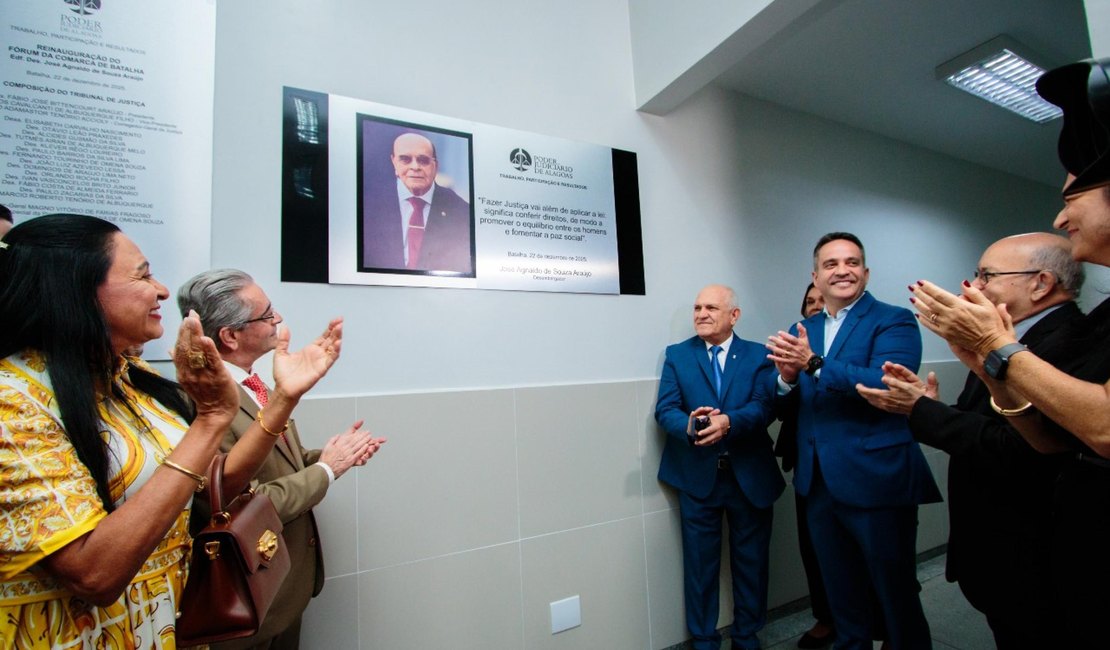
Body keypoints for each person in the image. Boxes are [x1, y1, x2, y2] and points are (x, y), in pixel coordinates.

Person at [0, 214, 343, 647]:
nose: (162, 289)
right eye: (143, 274)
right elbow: (94, 575)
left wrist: (284, 397)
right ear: (75, 291)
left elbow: (209, 489)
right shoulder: (14, 402)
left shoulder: (128, 379)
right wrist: (211, 422)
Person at [908, 57, 1110, 647]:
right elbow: (1050, 437)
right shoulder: (1101, 320)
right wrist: (985, 364)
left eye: (1074, 195)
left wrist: (996, 347)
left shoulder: (1067, 333)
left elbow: (1099, 428)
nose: (1060, 215)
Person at [858, 233, 1085, 648]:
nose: (974, 286)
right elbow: (989, 421)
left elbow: (1023, 447)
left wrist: (920, 411)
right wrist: (933, 406)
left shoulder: (1069, 342)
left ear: (1041, 283)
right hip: (999, 544)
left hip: (1033, 551)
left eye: (986, 275)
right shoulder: (1011, 337)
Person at [177, 269, 385, 649]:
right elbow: (236, 502)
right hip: (245, 608)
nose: (278, 320)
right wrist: (327, 469)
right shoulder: (206, 404)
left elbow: (280, 460)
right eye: (266, 314)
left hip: (281, 594)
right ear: (230, 335)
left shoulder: (256, 384)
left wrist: (334, 454)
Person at [766, 232, 940, 650]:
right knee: (840, 592)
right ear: (816, 276)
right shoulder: (802, 328)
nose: (842, 270)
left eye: (851, 262)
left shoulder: (893, 319)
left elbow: (886, 382)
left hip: (876, 477)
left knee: (894, 592)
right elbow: (782, 398)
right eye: (831, 264)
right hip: (818, 483)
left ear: (865, 271)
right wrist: (786, 379)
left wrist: (813, 364)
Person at [655, 284, 785, 650]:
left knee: (752, 563)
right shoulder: (678, 356)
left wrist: (728, 421)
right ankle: (704, 640)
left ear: (734, 315)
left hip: (750, 476)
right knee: (700, 567)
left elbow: (764, 406)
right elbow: (665, 410)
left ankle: (746, 635)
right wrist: (690, 424)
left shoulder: (760, 355)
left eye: (711, 307)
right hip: (697, 478)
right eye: (697, 307)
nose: (701, 314)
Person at [773, 283, 835, 649]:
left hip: (854, 465)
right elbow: (780, 409)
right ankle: (827, 618)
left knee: (869, 554)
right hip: (807, 465)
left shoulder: (853, 345)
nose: (813, 308)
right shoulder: (790, 345)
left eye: (820, 302)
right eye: (808, 302)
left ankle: (891, 628)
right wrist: (786, 379)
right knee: (814, 549)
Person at [361, 132, 473, 275]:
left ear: (435, 166)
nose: (415, 167)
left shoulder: (461, 211)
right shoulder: (368, 205)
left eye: (423, 160)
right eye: (405, 159)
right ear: (394, 162)